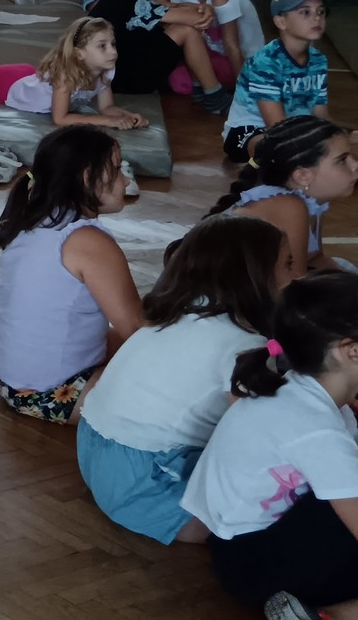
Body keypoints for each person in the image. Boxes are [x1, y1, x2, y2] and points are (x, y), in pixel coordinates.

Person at [76, 215, 294, 544]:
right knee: (277, 503)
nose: (297, 275)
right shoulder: (244, 344)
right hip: (149, 481)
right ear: (253, 276)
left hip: (95, 453)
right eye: (288, 265)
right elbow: (258, 432)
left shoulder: (180, 311)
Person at [182, 271, 358, 620]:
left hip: (239, 554)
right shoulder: (315, 429)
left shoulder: (291, 385)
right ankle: (321, 614)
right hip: (262, 566)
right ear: (351, 350)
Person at [0, 127, 142, 423]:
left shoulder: (31, 218)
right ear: (87, 177)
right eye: (118, 169)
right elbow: (134, 327)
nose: (126, 180)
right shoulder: (88, 240)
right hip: (53, 394)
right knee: (171, 385)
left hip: (9, 381)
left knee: (132, 338)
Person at [87, 0, 228, 115]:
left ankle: (200, 89)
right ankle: (215, 97)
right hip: (126, 80)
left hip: (120, 74)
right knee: (186, 29)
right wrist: (206, 11)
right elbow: (194, 18)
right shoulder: (132, 4)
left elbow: (175, 8)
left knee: (178, 25)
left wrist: (206, 8)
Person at [209, 115, 356, 274]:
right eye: (342, 160)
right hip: (223, 288)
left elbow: (316, 259)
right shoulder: (288, 207)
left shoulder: (312, 200)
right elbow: (293, 281)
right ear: (302, 176)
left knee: (345, 268)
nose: (355, 164)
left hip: (265, 285)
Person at [0, 15, 149, 132]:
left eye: (113, 44)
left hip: (27, 75)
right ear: (79, 53)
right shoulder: (65, 76)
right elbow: (60, 119)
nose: (113, 52)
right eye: (102, 46)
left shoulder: (105, 70)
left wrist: (129, 117)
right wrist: (108, 121)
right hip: (10, 87)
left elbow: (107, 107)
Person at [220, 0, 333, 161]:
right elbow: (276, 126)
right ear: (281, 22)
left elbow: (321, 116)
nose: (316, 18)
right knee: (275, 146)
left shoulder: (319, 60)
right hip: (249, 132)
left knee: (337, 140)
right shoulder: (266, 62)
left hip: (297, 129)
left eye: (321, 12)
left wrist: (338, 136)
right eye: (305, 12)